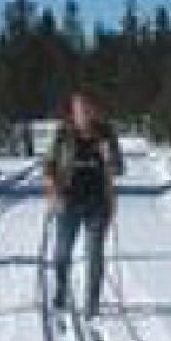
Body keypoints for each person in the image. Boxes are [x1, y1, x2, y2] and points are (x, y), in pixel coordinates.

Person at [44, 92, 124, 318]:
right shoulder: (63, 134)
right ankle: (61, 290)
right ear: (73, 112)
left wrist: (110, 158)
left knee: (95, 254)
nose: (85, 114)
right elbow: (49, 163)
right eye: (80, 110)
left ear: (94, 110)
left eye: (88, 109)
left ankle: (92, 304)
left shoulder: (106, 134)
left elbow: (118, 168)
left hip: (98, 203)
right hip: (68, 200)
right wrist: (51, 185)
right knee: (62, 253)